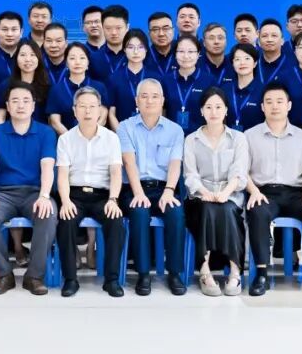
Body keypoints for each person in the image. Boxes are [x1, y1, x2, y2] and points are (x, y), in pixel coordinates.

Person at [244, 83, 302, 297]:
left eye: (280, 101)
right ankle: (261, 275)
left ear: (289, 105)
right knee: (257, 212)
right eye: (269, 102)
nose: (274, 106)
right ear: (262, 107)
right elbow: (242, 171)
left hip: (296, 193)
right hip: (264, 193)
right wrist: (254, 191)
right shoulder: (249, 136)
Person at [0, 82, 59, 295]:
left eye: (25, 101)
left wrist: (44, 196)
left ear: (33, 106)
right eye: (15, 101)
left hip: (34, 193)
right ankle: (4, 275)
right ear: (7, 106)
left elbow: (48, 166)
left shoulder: (46, 132)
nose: (20, 105)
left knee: (48, 213)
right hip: (3, 193)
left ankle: (34, 276)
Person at [56, 87, 127, 297]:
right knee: (66, 222)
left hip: (102, 196)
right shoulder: (65, 139)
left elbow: (116, 173)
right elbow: (62, 175)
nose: (87, 111)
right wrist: (65, 201)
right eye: (82, 106)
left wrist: (113, 199)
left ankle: (111, 280)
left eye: (92, 107)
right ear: (74, 110)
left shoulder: (111, 138)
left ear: (100, 111)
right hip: (74, 195)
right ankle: (70, 279)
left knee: (116, 222)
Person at [118, 79, 187, 296]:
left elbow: (175, 163)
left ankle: (174, 273)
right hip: (134, 187)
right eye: (144, 96)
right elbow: (128, 162)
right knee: (139, 211)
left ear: (162, 100)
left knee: (176, 212)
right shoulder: (125, 127)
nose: (149, 101)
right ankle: (143, 274)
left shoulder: (175, 130)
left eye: (155, 96)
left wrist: (169, 191)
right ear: (136, 100)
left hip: (164, 187)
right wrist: (138, 193)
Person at [183, 88, 249, 297]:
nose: (214, 112)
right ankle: (205, 271)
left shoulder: (238, 138)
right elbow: (190, 175)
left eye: (218, 107)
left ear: (226, 110)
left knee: (227, 208)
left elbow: (239, 172)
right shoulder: (191, 140)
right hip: (200, 196)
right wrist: (204, 192)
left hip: (230, 194)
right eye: (209, 107)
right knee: (206, 208)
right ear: (201, 111)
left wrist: (225, 192)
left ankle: (235, 272)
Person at [47, 43, 108, 134]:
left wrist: (91, 135)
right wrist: (71, 138)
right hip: (66, 139)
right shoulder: (56, 90)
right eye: (72, 58)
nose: (77, 62)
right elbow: (55, 121)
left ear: (88, 62)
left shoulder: (99, 87)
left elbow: (103, 116)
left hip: (95, 138)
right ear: (66, 63)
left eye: (82, 58)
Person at [161, 35, 213, 135]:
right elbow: (162, 111)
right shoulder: (166, 80)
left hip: (200, 137)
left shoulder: (209, 81)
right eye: (181, 51)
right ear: (175, 54)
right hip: (170, 137)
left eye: (191, 51)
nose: (186, 56)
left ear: (198, 54)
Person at [0, 39, 50, 124]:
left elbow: (50, 119)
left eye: (32, 55)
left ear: (39, 58)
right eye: (23, 55)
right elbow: (1, 117)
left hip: (40, 131)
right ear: (16, 58)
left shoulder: (47, 86)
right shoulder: (5, 86)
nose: (28, 59)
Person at [107, 28, 150, 128]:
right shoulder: (114, 78)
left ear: (146, 50)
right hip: (121, 131)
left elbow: (160, 111)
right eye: (131, 47)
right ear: (124, 50)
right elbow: (111, 113)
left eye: (140, 47)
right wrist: (121, 134)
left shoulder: (155, 78)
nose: (136, 52)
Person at [225, 43, 264, 132]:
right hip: (228, 138)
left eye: (247, 58)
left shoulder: (264, 91)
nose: (242, 63)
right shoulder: (224, 90)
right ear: (232, 64)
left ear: (255, 63)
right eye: (237, 59)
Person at [90, 4, 128, 82]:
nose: (114, 32)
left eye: (118, 28)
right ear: (102, 28)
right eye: (108, 28)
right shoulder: (93, 58)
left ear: (127, 27)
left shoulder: (137, 55)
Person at [256, 18, 295, 83]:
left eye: (274, 35)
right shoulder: (252, 64)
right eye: (264, 36)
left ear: (282, 41)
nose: (269, 40)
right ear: (259, 42)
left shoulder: (293, 65)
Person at [145, 11, 177, 78]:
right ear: (149, 34)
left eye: (166, 28)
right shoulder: (143, 57)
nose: (161, 34)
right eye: (155, 29)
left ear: (173, 31)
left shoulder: (183, 53)